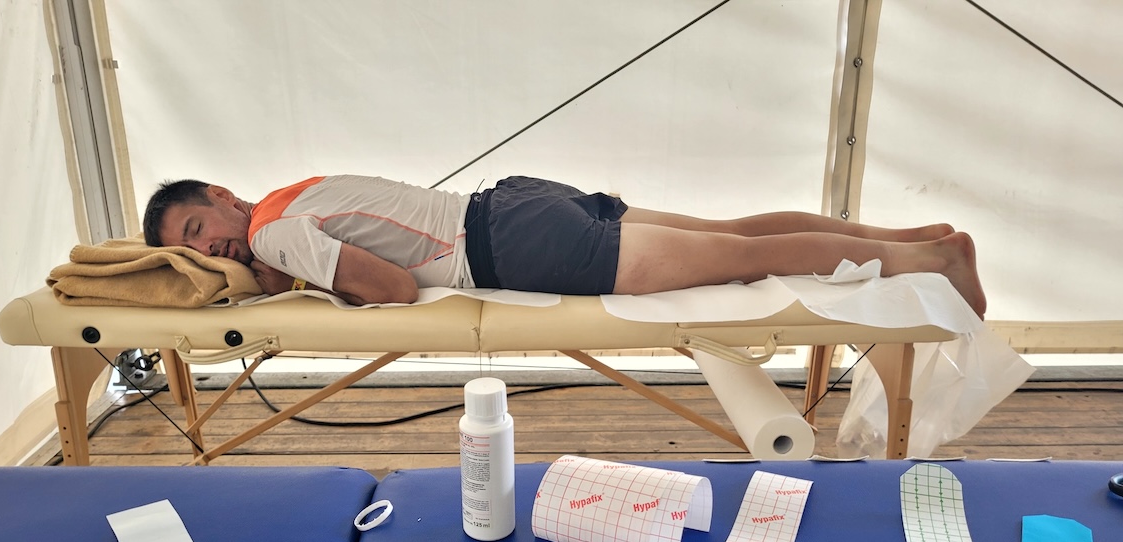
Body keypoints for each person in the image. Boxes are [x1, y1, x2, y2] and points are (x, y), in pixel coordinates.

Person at [142, 174, 986, 318]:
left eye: (196, 229)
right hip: (518, 202)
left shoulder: (272, 231)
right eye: (195, 248)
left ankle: (933, 264)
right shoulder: (292, 194)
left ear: (222, 197)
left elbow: (393, 291)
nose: (212, 248)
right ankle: (912, 236)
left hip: (508, 244)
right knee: (731, 233)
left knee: (741, 258)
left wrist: (276, 275)